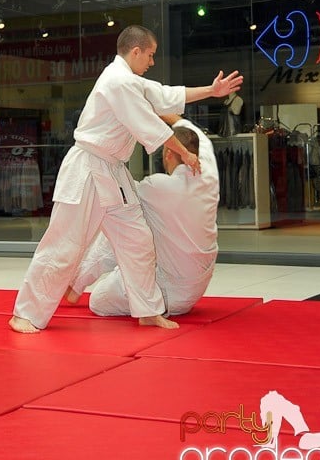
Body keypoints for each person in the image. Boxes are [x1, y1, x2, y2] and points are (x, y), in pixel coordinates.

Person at [9, 25, 242, 333]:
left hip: (113, 172)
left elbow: (166, 95)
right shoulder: (117, 82)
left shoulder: (130, 81)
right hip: (88, 168)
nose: (152, 61)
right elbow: (150, 125)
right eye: (150, 55)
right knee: (64, 244)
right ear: (135, 52)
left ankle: (147, 309)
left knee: (138, 242)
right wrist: (184, 154)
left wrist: (211, 91)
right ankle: (24, 314)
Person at [67, 115, 219, 316]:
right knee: (142, 219)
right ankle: (84, 280)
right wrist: (155, 111)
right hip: (198, 286)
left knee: (99, 299)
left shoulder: (158, 188)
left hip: (168, 293)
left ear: (167, 155)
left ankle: (79, 282)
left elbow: (118, 194)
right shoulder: (209, 174)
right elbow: (187, 126)